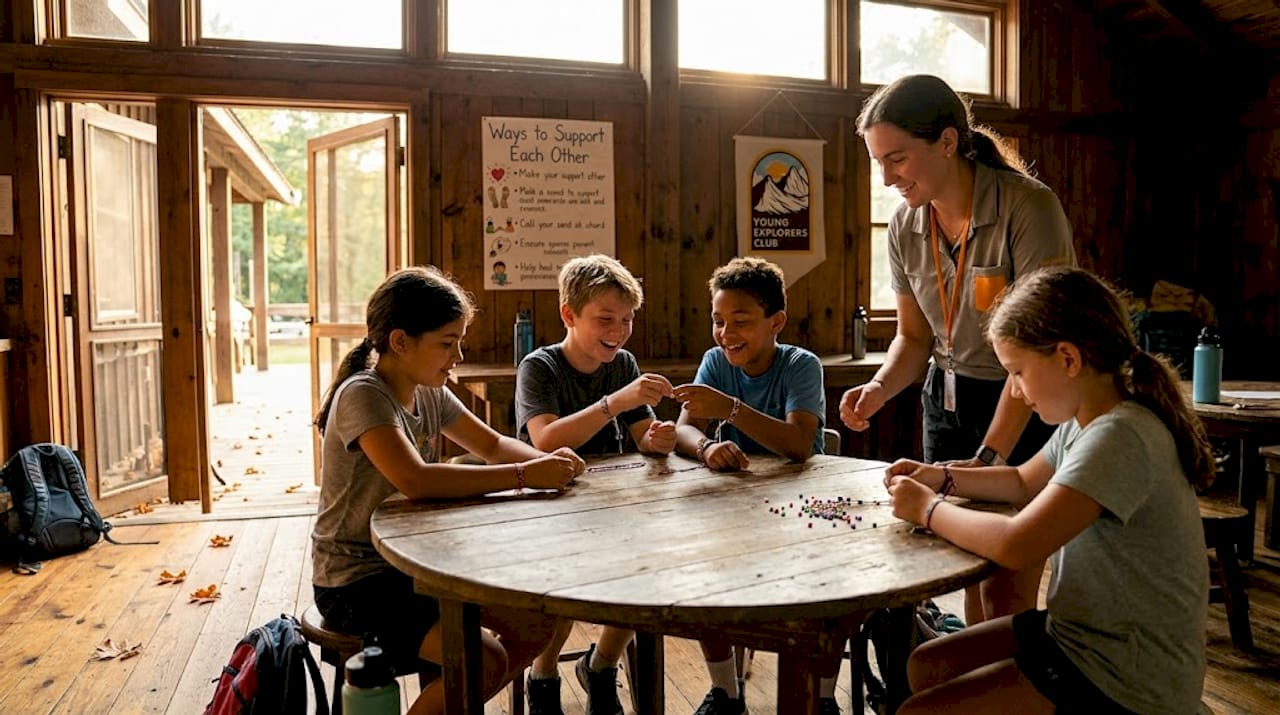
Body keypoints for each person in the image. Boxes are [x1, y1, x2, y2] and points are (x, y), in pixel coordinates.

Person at [884, 266, 1212, 715]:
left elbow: (1017, 544)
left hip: (1127, 675)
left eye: (1017, 372)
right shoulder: (1087, 419)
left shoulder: (1121, 435)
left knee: (914, 712)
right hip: (1081, 633)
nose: (1015, 393)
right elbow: (1020, 481)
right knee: (928, 665)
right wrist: (939, 476)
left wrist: (928, 508)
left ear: (1068, 359)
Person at [840, 74, 1077, 624]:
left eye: (896, 159)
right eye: (877, 161)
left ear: (947, 142)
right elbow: (915, 338)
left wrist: (990, 455)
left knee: (1004, 583)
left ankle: (998, 690)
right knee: (958, 561)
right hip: (943, 402)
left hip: (1023, 401)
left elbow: (1038, 351)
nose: (886, 177)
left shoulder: (1028, 208)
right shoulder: (904, 225)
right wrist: (877, 390)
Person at [310, 266, 586, 715]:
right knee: (483, 658)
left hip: (417, 565)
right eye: (446, 342)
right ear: (400, 342)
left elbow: (492, 444)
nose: (457, 355)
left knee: (538, 624)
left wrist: (545, 462)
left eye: (458, 341)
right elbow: (416, 480)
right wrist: (525, 477)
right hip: (356, 581)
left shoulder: (429, 392)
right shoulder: (364, 394)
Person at [515, 254, 676, 715]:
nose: (620, 331)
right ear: (569, 315)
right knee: (563, 586)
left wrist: (657, 438)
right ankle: (542, 676)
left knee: (641, 573)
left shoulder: (622, 363)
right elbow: (544, 439)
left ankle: (601, 665)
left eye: (627, 320)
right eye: (606, 319)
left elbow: (641, 432)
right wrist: (614, 402)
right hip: (550, 503)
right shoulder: (539, 367)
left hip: (614, 500)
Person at [671, 256, 830, 715]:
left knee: (823, 590)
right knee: (708, 580)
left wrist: (732, 410)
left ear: (776, 322)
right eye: (718, 321)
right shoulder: (715, 362)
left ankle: (822, 699)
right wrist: (705, 448)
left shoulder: (801, 365)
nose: (726, 334)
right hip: (738, 506)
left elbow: (800, 444)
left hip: (802, 507)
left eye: (740, 322)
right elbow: (685, 427)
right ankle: (725, 693)